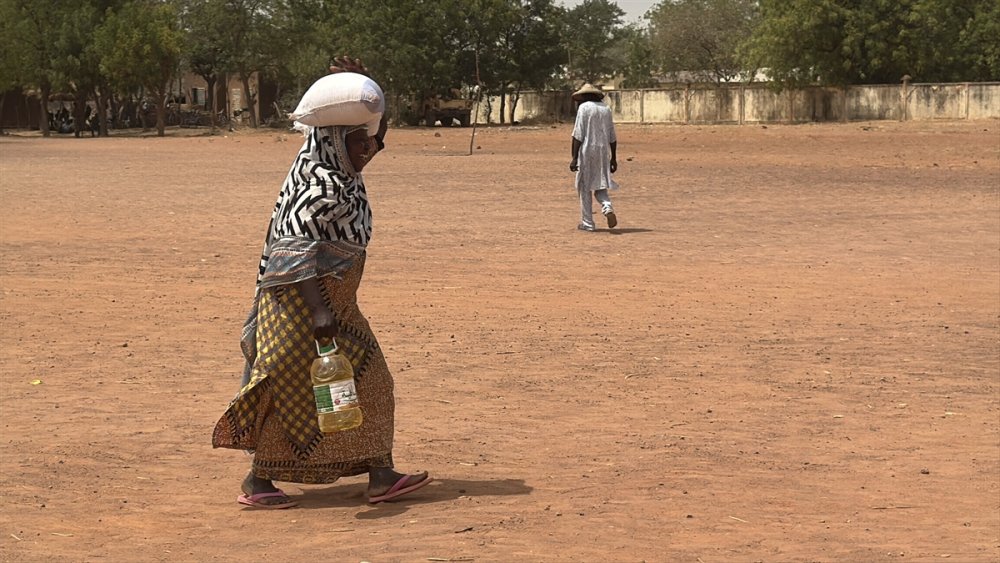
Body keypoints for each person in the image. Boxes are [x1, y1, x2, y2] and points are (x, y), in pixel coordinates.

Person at [212, 57, 431, 509]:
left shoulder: (339, 166)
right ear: (334, 142)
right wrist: (318, 311)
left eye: (367, 140)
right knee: (289, 391)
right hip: (300, 308)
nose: (369, 149)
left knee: (367, 383)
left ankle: (380, 473)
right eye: (359, 142)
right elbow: (290, 254)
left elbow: (377, 135)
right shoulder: (320, 185)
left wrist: (369, 91)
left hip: (337, 305)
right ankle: (258, 481)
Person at [569, 83, 619, 232]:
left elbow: (578, 134)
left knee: (584, 186)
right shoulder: (606, 109)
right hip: (603, 151)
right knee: (600, 184)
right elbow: (612, 136)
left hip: (587, 150)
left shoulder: (584, 108)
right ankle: (607, 207)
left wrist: (574, 157)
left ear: (585, 96)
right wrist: (613, 158)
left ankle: (588, 223)